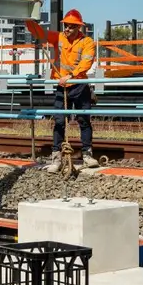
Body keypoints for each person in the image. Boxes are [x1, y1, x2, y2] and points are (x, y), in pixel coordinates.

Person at [44, 9, 99, 173]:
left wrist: (71, 75)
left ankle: (87, 155)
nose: (66, 29)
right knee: (59, 121)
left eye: (70, 27)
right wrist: (28, 19)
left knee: (84, 120)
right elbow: (41, 33)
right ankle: (56, 157)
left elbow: (87, 62)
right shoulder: (59, 37)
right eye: (65, 26)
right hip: (62, 86)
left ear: (78, 28)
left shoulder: (87, 42)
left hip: (79, 84)